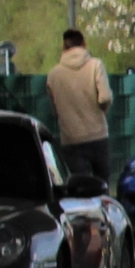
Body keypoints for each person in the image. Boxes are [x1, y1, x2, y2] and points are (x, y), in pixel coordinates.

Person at [46, 28, 114, 182]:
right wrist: (101, 112)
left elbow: (55, 111)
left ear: (64, 47)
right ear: (84, 43)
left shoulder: (54, 74)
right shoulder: (96, 65)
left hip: (71, 138)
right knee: (102, 183)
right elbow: (105, 98)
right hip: (98, 135)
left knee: (80, 186)